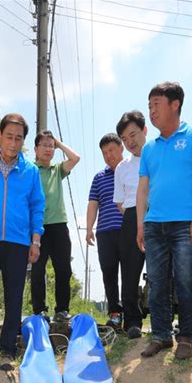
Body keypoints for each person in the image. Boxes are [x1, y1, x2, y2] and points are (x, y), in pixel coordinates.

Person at [136, 82, 192, 360]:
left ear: (175, 104)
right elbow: (143, 189)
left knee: (185, 280)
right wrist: (140, 225)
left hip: (186, 223)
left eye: (156, 105)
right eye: (149, 106)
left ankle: (185, 338)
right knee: (157, 283)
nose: (152, 111)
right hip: (154, 224)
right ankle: (160, 335)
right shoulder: (149, 149)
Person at [0, 113, 45, 371]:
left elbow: (37, 206)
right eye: (9, 136)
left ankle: (7, 351)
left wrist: (35, 241)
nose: (13, 143)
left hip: (18, 243)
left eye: (19, 138)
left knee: (14, 298)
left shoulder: (31, 171)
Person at [31, 131, 80, 323]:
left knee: (63, 269)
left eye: (51, 146)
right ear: (36, 149)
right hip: (37, 227)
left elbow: (75, 158)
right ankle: (39, 310)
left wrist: (58, 142)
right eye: (44, 145)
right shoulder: (31, 170)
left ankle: (62, 310)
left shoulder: (57, 170)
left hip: (59, 225)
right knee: (37, 270)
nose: (48, 149)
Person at [113, 111, 148, 339]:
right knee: (129, 273)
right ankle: (132, 322)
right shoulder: (122, 167)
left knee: (161, 271)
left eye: (133, 135)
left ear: (144, 131)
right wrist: (135, 219)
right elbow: (119, 201)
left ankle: (165, 322)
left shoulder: (158, 155)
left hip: (157, 215)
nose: (130, 142)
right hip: (130, 218)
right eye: (125, 139)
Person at [86, 134, 125, 330]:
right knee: (109, 273)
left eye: (111, 150)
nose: (108, 155)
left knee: (129, 273)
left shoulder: (131, 171)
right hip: (104, 232)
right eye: (104, 153)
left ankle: (132, 315)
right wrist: (89, 228)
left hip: (127, 230)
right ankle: (115, 314)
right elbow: (93, 204)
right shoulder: (99, 178)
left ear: (121, 148)